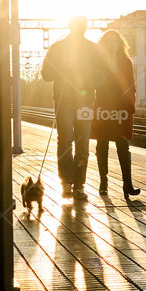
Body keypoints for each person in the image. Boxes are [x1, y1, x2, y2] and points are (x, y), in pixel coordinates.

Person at [41, 15, 103, 200]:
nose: (80, 28)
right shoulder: (60, 48)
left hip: (83, 100)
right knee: (69, 140)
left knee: (74, 141)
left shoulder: (91, 49)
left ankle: (75, 185)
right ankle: (70, 184)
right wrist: (61, 68)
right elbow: (46, 73)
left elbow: (102, 75)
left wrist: (89, 83)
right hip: (66, 101)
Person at [91, 30, 140, 199]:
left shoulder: (126, 61)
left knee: (123, 144)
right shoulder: (98, 61)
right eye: (108, 41)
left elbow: (131, 84)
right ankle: (103, 182)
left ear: (120, 43)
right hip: (103, 106)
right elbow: (92, 82)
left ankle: (128, 184)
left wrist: (129, 104)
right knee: (102, 144)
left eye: (115, 41)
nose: (112, 44)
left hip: (120, 106)